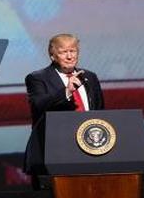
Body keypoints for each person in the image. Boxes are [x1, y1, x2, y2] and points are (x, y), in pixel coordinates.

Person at [23, 33, 104, 178]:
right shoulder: (37, 78)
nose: (69, 56)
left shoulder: (89, 77)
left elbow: (100, 112)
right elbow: (39, 104)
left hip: (89, 147)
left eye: (72, 51)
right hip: (55, 151)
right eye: (63, 52)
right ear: (52, 56)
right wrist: (66, 91)